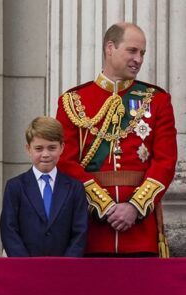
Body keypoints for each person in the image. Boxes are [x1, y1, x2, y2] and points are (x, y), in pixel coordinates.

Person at [55, 22, 177, 257]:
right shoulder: (73, 100)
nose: (139, 59)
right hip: (90, 230)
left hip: (140, 231)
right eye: (132, 51)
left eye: (142, 53)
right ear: (110, 48)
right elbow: (65, 161)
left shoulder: (157, 100)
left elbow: (165, 162)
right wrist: (105, 206)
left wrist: (134, 207)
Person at [0, 117, 87, 257]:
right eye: (39, 149)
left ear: (62, 148)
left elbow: (80, 231)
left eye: (52, 148)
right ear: (28, 149)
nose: (45, 154)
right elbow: (9, 230)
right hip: (26, 268)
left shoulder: (74, 187)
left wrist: (68, 264)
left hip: (64, 268)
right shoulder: (15, 186)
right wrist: (25, 264)